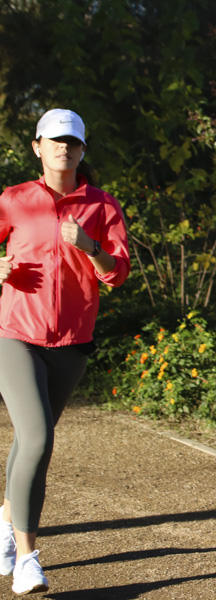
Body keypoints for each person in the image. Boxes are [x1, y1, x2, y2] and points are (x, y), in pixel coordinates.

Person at [0, 108, 131, 594]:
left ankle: (5, 519)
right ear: (37, 146)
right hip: (13, 332)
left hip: (72, 341)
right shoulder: (13, 200)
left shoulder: (101, 205)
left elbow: (117, 273)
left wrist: (91, 245)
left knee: (30, 441)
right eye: (54, 141)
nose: (64, 149)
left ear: (82, 150)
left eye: (72, 143)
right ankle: (27, 556)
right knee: (36, 438)